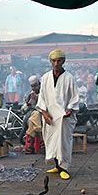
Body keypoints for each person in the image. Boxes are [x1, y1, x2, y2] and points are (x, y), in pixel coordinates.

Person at [36, 50, 79, 180]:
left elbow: (74, 98)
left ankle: (64, 167)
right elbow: (42, 98)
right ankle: (56, 165)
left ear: (63, 61)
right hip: (50, 116)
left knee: (63, 143)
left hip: (63, 117)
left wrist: (70, 109)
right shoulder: (45, 78)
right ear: (50, 62)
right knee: (51, 142)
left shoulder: (69, 78)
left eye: (59, 61)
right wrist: (44, 112)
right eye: (53, 61)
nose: (56, 63)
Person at [23, 75, 43, 154]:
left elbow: (47, 104)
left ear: (39, 84)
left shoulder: (44, 91)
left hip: (44, 114)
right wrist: (29, 101)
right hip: (35, 115)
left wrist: (37, 99)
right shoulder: (31, 93)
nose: (34, 88)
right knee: (33, 118)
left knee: (33, 118)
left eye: (35, 86)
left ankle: (31, 146)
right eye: (32, 86)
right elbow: (26, 108)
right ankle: (40, 138)